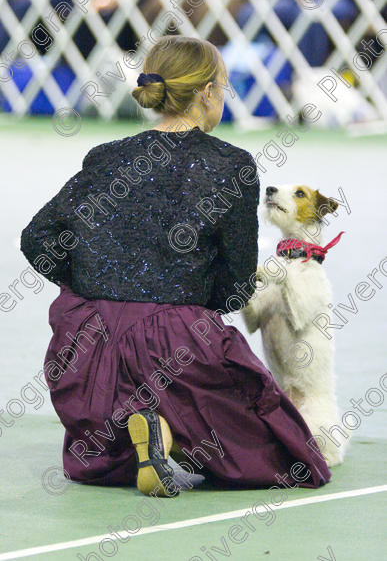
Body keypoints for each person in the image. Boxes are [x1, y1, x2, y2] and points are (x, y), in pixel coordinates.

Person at [20, 35, 330, 498]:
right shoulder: (233, 166)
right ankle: (173, 432)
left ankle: (147, 436)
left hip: (88, 345)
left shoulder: (106, 157)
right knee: (292, 455)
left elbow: (37, 238)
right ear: (206, 92)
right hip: (178, 344)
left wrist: (90, 285)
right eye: (223, 87)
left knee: (101, 451)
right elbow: (235, 286)